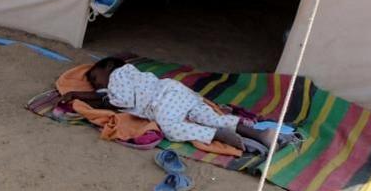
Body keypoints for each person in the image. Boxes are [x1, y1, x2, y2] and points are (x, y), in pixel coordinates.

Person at [61, 57, 278, 150]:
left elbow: (120, 101)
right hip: (179, 93)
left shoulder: (118, 75)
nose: (95, 85)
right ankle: (260, 134)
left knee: (172, 128)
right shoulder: (126, 77)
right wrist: (81, 96)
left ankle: (216, 135)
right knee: (209, 117)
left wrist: (81, 95)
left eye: (95, 79)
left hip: (163, 98)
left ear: (108, 67)